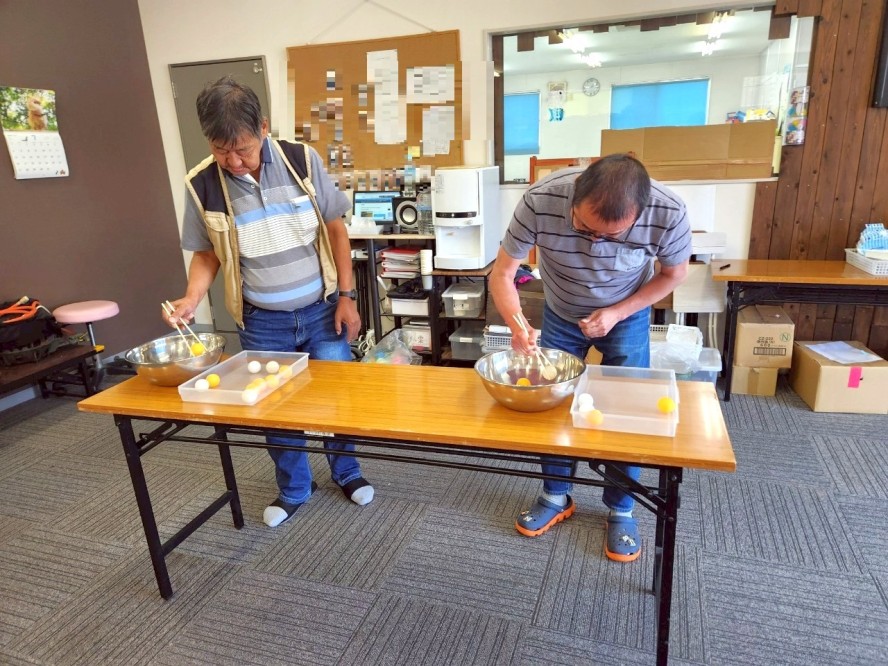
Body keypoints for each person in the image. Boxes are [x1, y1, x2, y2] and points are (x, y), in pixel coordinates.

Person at [166, 76, 373, 528]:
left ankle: (347, 471)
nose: (234, 162)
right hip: (262, 320)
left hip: (321, 310)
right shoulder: (202, 184)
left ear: (263, 127)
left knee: (337, 398)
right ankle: (295, 488)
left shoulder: (301, 160)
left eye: (242, 149)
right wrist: (191, 298)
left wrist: (347, 296)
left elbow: (336, 228)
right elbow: (206, 253)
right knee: (275, 409)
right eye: (221, 150)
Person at [489, 154, 691, 562]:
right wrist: (516, 324)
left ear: (639, 213)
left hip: (627, 312)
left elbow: (674, 274)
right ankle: (555, 494)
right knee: (552, 402)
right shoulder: (541, 199)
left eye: (611, 236)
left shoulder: (669, 212)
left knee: (627, 408)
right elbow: (503, 273)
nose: (595, 241)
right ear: (575, 195)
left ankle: (621, 507)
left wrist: (616, 313)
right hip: (561, 310)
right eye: (584, 228)